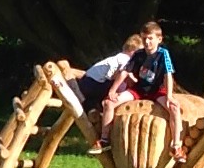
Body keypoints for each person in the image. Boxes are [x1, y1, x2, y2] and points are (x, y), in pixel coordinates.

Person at [103, 20, 182, 160]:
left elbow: (168, 75)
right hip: (139, 89)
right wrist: (112, 90)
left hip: (157, 90)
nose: (147, 42)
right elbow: (124, 72)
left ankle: (176, 146)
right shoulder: (138, 54)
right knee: (109, 103)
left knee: (174, 108)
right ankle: (104, 140)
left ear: (159, 39)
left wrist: (169, 96)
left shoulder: (163, 54)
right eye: (144, 39)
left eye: (150, 39)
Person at [77, 33, 143, 136]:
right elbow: (120, 74)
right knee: (119, 87)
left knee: (93, 100)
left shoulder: (117, 57)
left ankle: (92, 108)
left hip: (87, 82)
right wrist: (115, 91)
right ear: (133, 52)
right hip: (93, 83)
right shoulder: (125, 59)